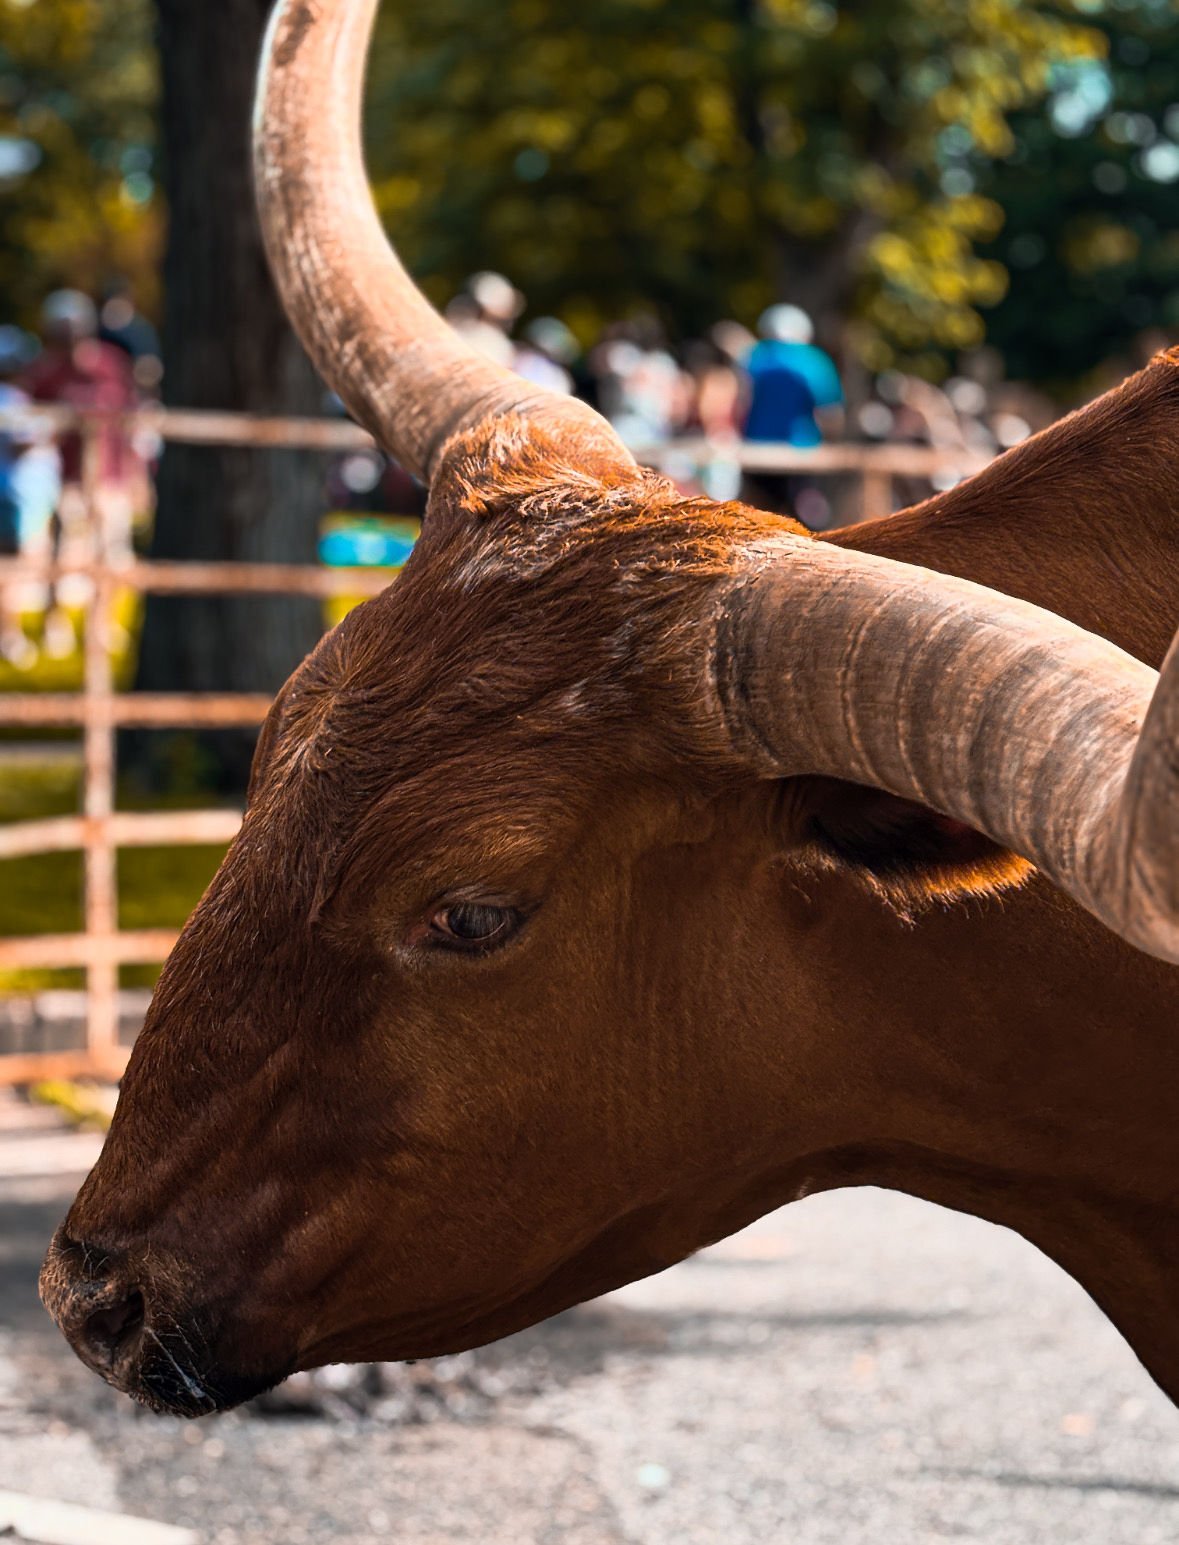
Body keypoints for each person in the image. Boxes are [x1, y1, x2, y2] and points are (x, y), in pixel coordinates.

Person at [742, 304, 844, 522]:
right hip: (801, 452)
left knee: (758, 517)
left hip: (756, 451)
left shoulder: (755, 357)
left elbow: (740, 400)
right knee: (805, 515)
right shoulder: (814, 361)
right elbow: (830, 412)